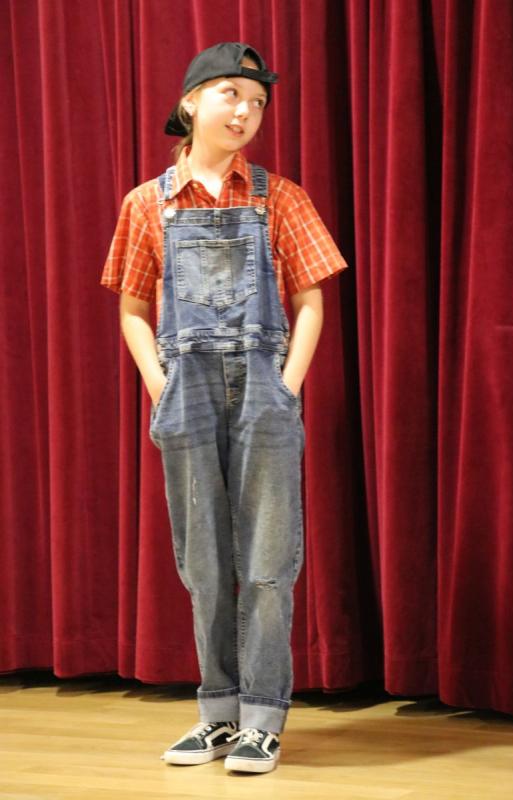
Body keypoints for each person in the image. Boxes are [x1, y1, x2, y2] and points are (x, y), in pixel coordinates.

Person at [101, 41, 347, 774]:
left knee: (268, 561)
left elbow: (310, 302)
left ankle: (262, 719)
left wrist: (287, 386)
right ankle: (217, 713)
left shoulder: (280, 197)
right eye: (231, 94)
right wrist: (161, 385)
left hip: (263, 388)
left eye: (258, 102)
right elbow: (132, 309)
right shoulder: (146, 203)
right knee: (202, 561)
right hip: (188, 391)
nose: (245, 112)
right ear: (190, 103)